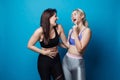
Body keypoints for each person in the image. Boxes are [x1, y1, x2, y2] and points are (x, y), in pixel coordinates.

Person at [27, 8, 68, 80]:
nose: (57, 18)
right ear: (48, 18)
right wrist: (44, 52)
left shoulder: (59, 28)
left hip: (56, 60)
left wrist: (74, 37)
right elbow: (29, 45)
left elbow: (66, 43)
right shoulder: (40, 31)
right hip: (44, 61)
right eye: (55, 16)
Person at [62, 8, 91, 80]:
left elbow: (80, 49)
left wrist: (75, 32)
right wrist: (55, 44)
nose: (72, 17)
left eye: (75, 14)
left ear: (82, 16)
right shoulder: (70, 30)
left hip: (77, 63)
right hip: (66, 60)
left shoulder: (87, 31)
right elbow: (68, 46)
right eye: (71, 15)